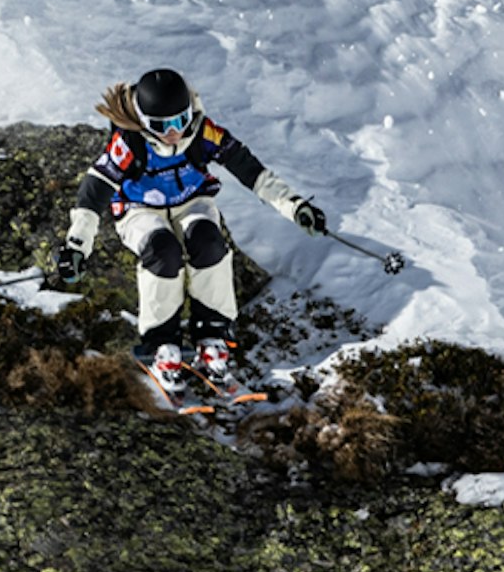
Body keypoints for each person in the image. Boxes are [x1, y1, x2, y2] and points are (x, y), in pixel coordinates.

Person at [54, 67, 324, 393]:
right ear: (144, 121)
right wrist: (77, 244)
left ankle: (212, 333)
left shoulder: (202, 132)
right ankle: (161, 342)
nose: (173, 133)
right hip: (140, 209)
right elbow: (94, 190)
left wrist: (294, 206)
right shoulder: (129, 142)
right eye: (161, 126)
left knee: (209, 243)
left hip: (191, 202)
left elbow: (250, 170)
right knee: (163, 251)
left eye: (180, 121)